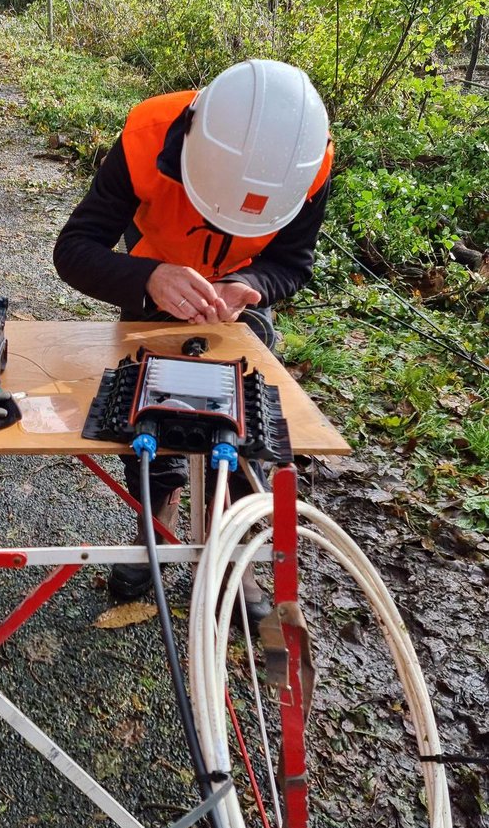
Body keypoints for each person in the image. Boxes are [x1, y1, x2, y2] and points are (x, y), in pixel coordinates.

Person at [53, 58, 332, 616]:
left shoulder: (306, 163)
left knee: (248, 427)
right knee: (147, 413)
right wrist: (148, 278)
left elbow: (293, 264)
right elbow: (74, 251)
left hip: (232, 314)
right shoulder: (146, 137)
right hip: (149, 295)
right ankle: (156, 525)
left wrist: (250, 285)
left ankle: (236, 554)